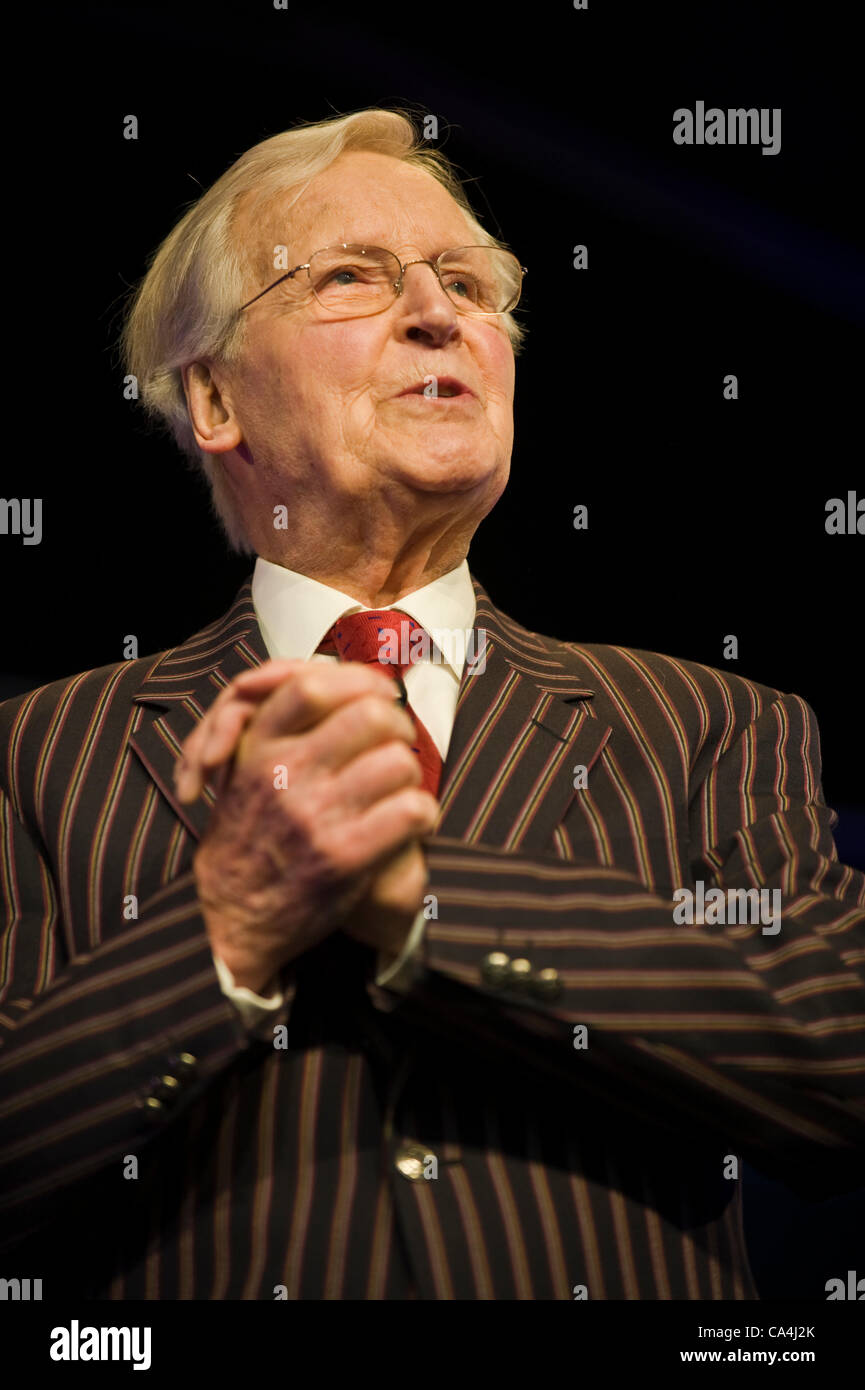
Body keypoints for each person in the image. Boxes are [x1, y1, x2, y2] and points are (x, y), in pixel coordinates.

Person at [1, 107, 862, 1301]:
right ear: (213, 402)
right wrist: (228, 930)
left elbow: (835, 1057)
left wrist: (420, 897)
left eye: (468, 279)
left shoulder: (705, 724)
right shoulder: (38, 754)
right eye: (352, 275)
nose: (437, 311)